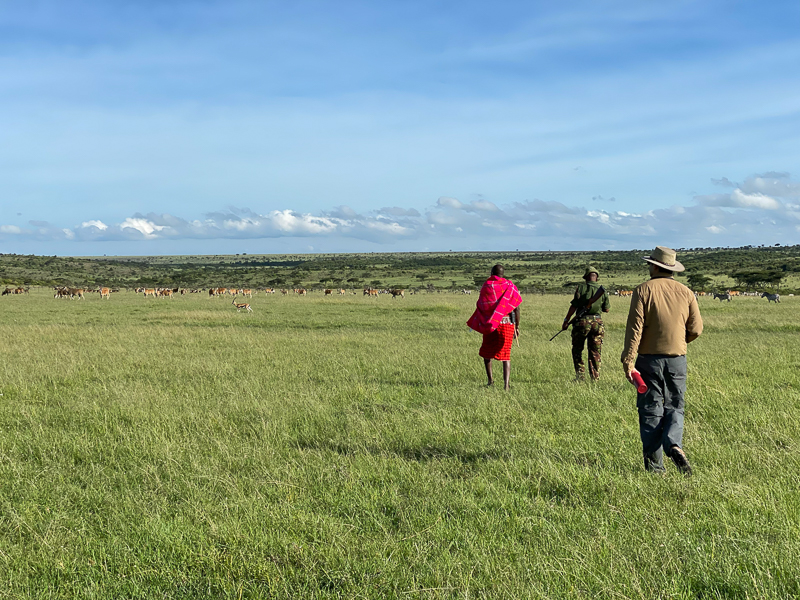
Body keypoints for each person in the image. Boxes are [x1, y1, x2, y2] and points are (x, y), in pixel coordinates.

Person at [621, 247, 703, 476]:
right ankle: (674, 445)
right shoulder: (686, 292)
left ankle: (655, 468)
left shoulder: (642, 290)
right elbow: (697, 329)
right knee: (675, 405)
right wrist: (679, 341)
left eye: (650, 264)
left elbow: (635, 330)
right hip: (678, 359)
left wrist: (628, 362)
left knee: (650, 410)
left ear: (656, 266)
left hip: (648, 360)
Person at [467, 264, 522, 390]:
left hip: (490, 324)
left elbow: (481, 305)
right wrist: (517, 326)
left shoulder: (487, 286)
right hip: (507, 324)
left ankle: (490, 381)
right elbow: (517, 308)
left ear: (491, 273)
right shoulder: (510, 287)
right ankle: (506, 385)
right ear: (503, 273)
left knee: (487, 353)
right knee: (506, 355)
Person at [561, 266, 610, 381]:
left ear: (586, 278)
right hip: (597, 323)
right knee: (595, 351)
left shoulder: (581, 288)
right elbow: (606, 309)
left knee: (577, 350)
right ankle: (595, 378)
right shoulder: (603, 290)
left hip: (581, 322)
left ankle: (580, 376)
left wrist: (566, 320)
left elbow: (574, 306)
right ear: (596, 277)